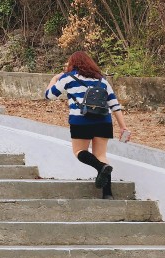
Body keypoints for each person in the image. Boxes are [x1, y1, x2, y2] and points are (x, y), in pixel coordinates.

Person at [44, 50, 130, 200]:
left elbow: (49, 96)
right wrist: (123, 127)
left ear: (73, 64)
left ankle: (101, 168)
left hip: (81, 120)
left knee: (79, 151)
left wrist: (54, 79)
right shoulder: (101, 80)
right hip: (103, 121)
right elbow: (114, 104)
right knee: (101, 155)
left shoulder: (68, 78)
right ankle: (107, 194)